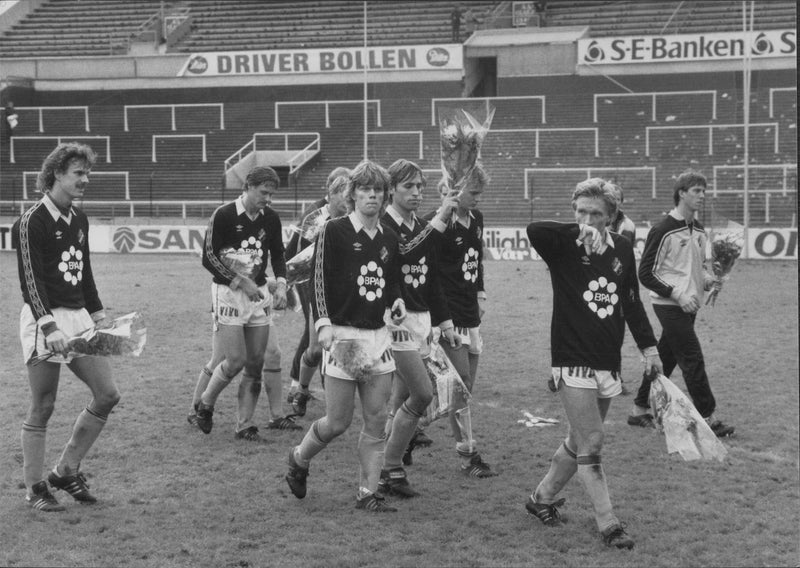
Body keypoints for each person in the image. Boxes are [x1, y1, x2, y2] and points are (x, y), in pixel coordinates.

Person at [525, 177, 663, 549]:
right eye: (581, 210)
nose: (587, 218)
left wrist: (650, 349)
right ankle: (609, 522)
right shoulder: (563, 244)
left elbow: (632, 301)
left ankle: (541, 498)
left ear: (612, 217)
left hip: (607, 357)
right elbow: (533, 229)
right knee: (594, 440)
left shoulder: (621, 247)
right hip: (571, 356)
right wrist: (580, 228)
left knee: (577, 439)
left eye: (596, 213)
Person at [285, 160, 407, 512]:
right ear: (352, 194)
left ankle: (368, 493)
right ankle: (299, 458)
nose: (372, 195)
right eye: (365, 189)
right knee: (338, 422)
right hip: (343, 338)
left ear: (384, 196)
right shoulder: (333, 230)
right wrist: (323, 324)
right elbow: (318, 280)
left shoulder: (388, 235)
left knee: (376, 417)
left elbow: (393, 278)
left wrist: (397, 299)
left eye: (378, 190)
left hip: (378, 338)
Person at [11, 142, 121, 511]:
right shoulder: (31, 220)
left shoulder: (79, 218)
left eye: (87, 174)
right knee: (44, 403)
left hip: (78, 318)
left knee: (107, 394)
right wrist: (48, 327)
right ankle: (35, 488)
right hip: (45, 319)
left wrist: (98, 313)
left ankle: (66, 470)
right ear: (57, 173)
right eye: (78, 173)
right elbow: (30, 281)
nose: (85, 180)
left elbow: (83, 272)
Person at [377, 159, 461, 498]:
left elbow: (432, 279)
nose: (416, 193)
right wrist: (441, 217)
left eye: (420, 187)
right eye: (408, 186)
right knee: (424, 394)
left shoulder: (420, 224)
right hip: (395, 321)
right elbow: (408, 252)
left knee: (400, 399)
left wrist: (445, 322)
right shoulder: (384, 225)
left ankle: (384, 462)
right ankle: (391, 467)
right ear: (391, 189)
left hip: (422, 321)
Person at [631, 170, 735, 437]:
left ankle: (639, 409)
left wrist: (711, 280)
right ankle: (708, 416)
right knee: (692, 357)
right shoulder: (663, 229)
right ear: (681, 193)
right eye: (697, 190)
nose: (702, 195)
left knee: (666, 356)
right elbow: (646, 273)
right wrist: (677, 293)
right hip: (669, 304)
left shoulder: (699, 231)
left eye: (704, 190)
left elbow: (697, 267)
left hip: (691, 304)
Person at [191, 166, 291, 441]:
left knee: (256, 363)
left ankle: (244, 424)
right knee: (235, 360)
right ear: (248, 187)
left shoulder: (270, 218)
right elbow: (208, 258)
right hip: (229, 293)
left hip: (258, 294)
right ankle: (206, 404)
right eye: (263, 192)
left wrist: (281, 284)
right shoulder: (223, 215)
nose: (268, 199)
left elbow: (279, 255)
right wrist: (240, 280)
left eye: (271, 194)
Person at [422, 164, 497, 478]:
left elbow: (477, 260)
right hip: (447, 316)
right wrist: (443, 320)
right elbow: (428, 275)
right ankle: (468, 455)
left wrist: (480, 294)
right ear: (455, 190)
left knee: (461, 387)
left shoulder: (476, 218)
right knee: (459, 386)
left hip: (470, 311)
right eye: (474, 192)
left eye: (480, 192)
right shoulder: (436, 223)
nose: (479, 198)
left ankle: (409, 428)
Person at [188, 277, 301, 436]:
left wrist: (277, 284)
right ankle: (196, 408)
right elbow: (221, 262)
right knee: (222, 358)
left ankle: (276, 416)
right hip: (230, 296)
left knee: (273, 353)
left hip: (260, 298)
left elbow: (261, 258)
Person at [287, 167, 350, 417]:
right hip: (316, 286)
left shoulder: (354, 219)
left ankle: (333, 408)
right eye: (343, 197)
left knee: (334, 345)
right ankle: (300, 387)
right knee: (314, 349)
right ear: (331, 195)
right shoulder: (315, 219)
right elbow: (300, 258)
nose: (348, 202)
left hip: (344, 291)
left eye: (350, 197)